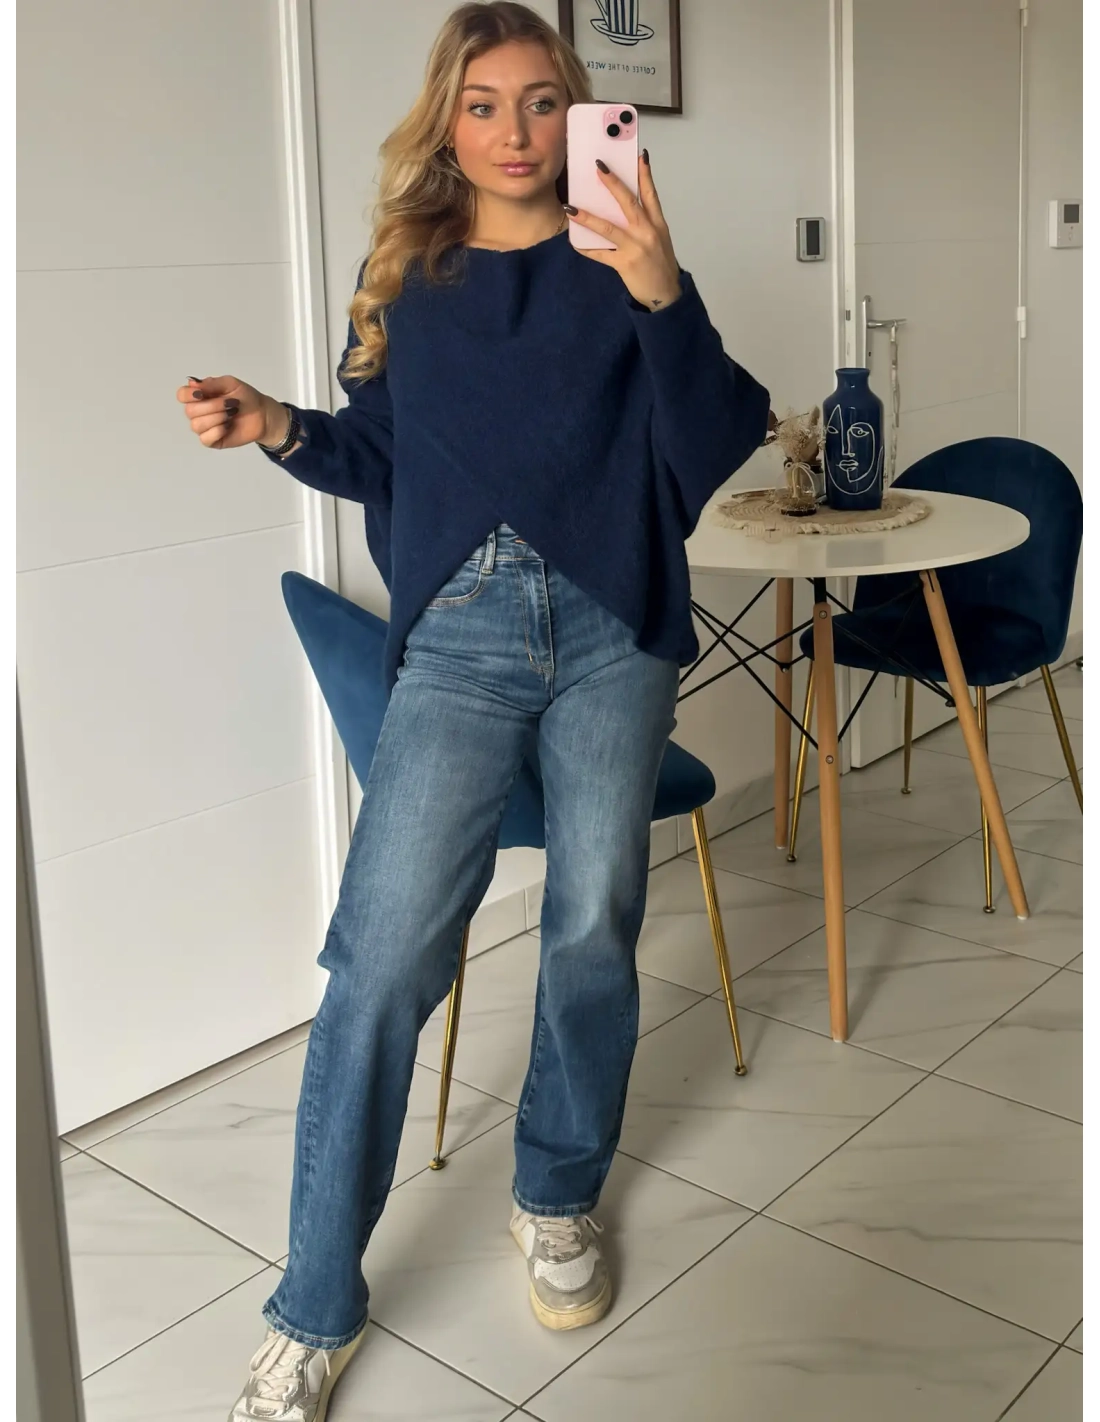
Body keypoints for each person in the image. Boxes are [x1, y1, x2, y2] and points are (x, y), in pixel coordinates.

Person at [178, 4, 768, 1418]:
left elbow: (712, 442)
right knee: (382, 960)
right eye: (486, 103)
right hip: (462, 632)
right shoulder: (410, 274)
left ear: (579, 112)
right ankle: (314, 1302)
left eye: (544, 100)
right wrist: (277, 426)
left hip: (615, 629)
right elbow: (386, 456)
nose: (516, 130)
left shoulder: (622, 257)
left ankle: (556, 1194)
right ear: (448, 120)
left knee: (592, 923)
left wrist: (662, 293)